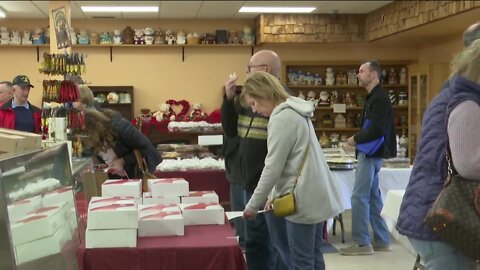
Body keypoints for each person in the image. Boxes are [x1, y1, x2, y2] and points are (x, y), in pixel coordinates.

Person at [396, 22, 480, 270]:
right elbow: (469, 164)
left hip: (433, 211)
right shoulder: (466, 103)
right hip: (448, 217)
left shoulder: (450, 94)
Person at [242, 71, 344, 270]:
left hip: (302, 199)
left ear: (264, 94)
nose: (255, 110)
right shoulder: (297, 110)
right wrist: (272, 195)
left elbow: (273, 166)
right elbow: (289, 160)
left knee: (301, 262)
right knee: (313, 256)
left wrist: (253, 205)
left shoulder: (282, 118)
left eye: (254, 103)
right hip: (314, 194)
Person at [222, 50, 288, 270]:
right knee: (251, 238)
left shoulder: (283, 101)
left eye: (250, 67)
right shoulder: (245, 97)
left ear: (266, 70)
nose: (246, 72)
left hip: (266, 182)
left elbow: (280, 152)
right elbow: (230, 130)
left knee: (273, 241)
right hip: (243, 178)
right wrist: (228, 99)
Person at [340, 61, 397, 256]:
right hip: (371, 152)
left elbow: (376, 129)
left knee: (359, 197)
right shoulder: (374, 96)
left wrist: (355, 139)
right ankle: (382, 239)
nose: (358, 74)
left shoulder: (379, 98)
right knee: (372, 197)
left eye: (362, 71)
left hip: (370, 152)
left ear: (374, 75)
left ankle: (362, 243)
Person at [81, 108, 162, 178]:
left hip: (139, 170)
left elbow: (146, 147)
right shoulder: (93, 136)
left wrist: (122, 161)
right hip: (118, 175)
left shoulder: (121, 127)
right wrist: (101, 164)